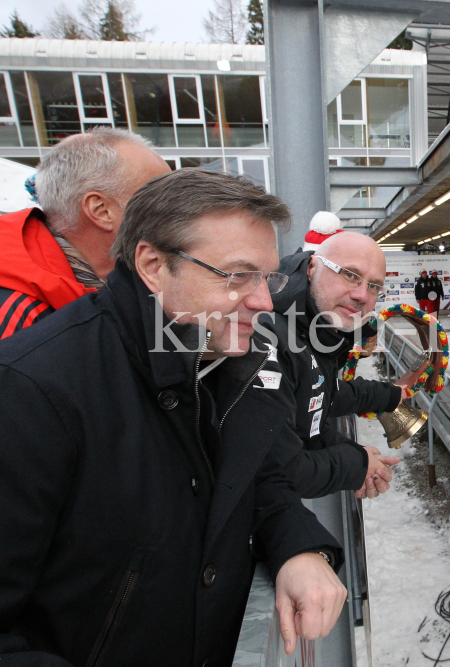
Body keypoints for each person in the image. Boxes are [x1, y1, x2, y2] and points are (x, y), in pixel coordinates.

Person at [0, 170, 346, 665]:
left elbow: (254, 476)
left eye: (268, 278)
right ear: (154, 266)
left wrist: (299, 546)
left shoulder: (226, 358)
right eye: (237, 275)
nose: (264, 302)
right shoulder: (30, 391)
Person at [262, 231, 410, 500]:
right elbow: (271, 472)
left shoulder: (317, 331)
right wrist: (355, 464)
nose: (362, 294)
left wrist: (358, 455)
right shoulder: (270, 338)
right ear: (312, 267)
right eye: (350, 274)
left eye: (374, 286)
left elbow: (313, 406)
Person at [0, 127, 170, 339]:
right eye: (161, 200)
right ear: (101, 210)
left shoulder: (123, 278)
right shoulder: (18, 320)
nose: (180, 212)